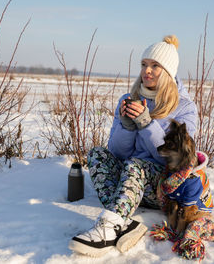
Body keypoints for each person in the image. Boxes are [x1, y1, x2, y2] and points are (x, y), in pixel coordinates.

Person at [68, 35, 198, 257]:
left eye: (155, 66)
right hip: (128, 185)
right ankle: (125, 222)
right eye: (144, 65)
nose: (147, 71)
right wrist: (127, 126)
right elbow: (117, 153)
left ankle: (110, 227)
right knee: (98, 154)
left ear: (168, 71)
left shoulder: (184, 108)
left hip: (161, 189)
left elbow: (176, 162)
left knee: (136, 165)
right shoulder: (128, 99)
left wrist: (147, 124)